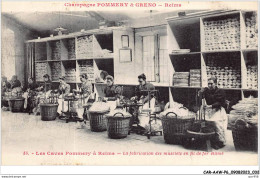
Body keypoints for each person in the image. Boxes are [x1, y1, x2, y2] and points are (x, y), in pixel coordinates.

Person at [198, 77, 228, 149]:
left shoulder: (220, 92)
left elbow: (220, 103)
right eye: (208, 84)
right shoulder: (206, 90)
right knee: (200, 119)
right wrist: (200, 93)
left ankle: (219, 141)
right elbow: (201, 98)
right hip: (208, 109)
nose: (209, 85)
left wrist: (210, 106)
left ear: (215, 83)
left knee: (216, 122)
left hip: (218, 109)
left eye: (211, 84)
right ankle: (205, 138)